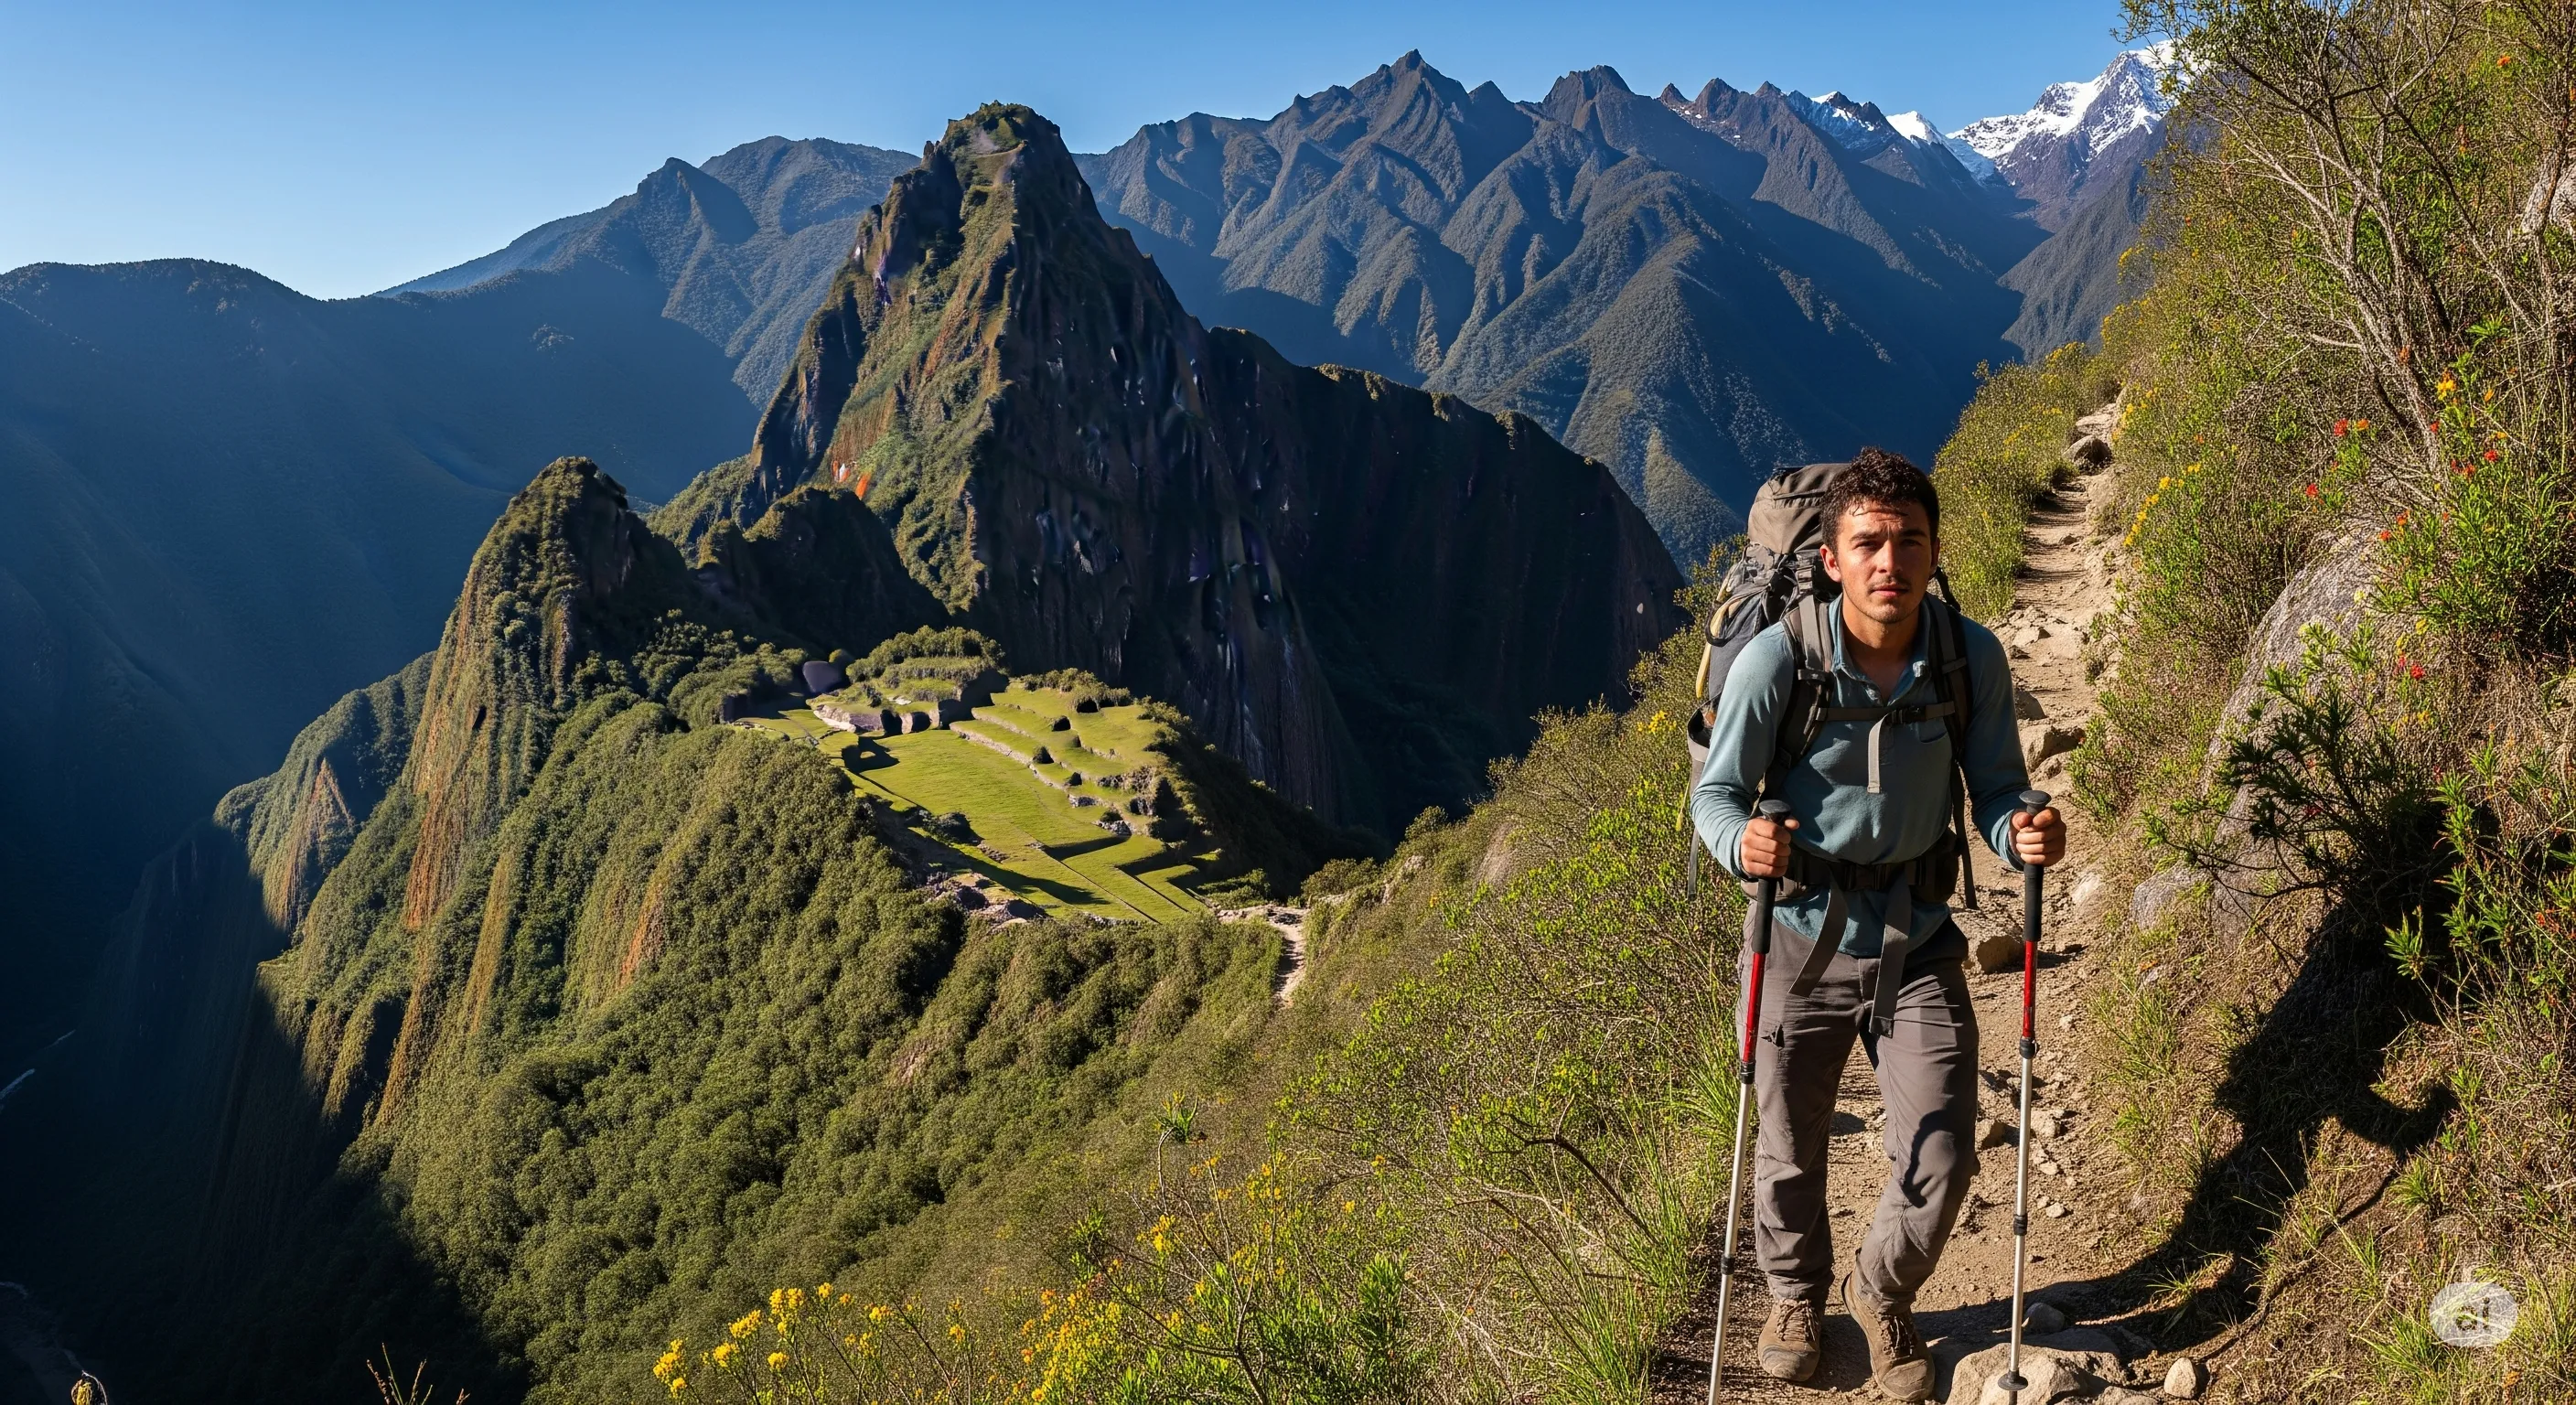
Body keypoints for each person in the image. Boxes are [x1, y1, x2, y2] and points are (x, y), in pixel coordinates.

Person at [1691, 449, 2066, 1400]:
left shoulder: (1966, 657)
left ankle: (1879, 1289)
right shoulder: (1780, 661)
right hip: (1795, 935)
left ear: (1934, 551)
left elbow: (1995, 788)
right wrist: (1742, 846)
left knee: (1942, 1148)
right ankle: (1793, 1295)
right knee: (1786, 1148)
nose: (1888, 561)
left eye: (1908, 541)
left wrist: (2018, 828)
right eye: (1867, 543)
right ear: (1831, 558)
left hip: (1918, 938)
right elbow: (1716, 796)